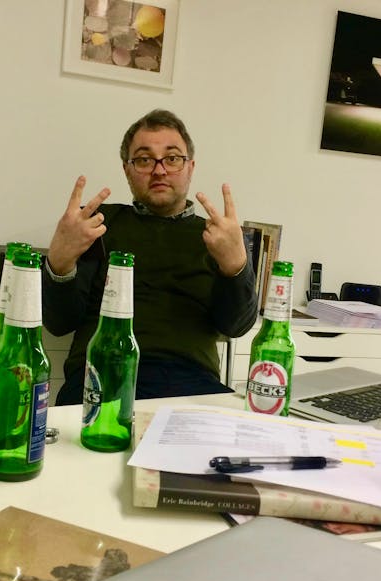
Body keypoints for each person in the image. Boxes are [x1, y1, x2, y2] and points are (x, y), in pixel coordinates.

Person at [43, 109, 259, 405]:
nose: (159, 170)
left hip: (191, 382)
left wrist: (235, 265)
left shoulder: (217, 236)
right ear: (127, 169)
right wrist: (60, 263)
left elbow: (236, 326)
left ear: (190, 167)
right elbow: (60, 323)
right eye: (144, 159)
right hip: (99, 376)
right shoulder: (99, 226)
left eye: (172, 158)